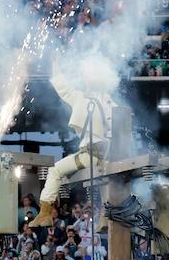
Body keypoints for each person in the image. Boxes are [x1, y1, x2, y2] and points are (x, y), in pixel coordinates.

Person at [29, 77, 112, 227]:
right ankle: (105, 219)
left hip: (91, 155)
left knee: (55, 170)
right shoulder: (110, 103)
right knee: (105, 182)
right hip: (107, 156)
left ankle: (45, 214)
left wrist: (56, 71)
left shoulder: (86, 100)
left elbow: (65, 90)